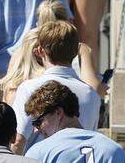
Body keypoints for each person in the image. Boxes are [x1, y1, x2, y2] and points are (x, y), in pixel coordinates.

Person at [11, 21, 101, 153]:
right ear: (76, 52)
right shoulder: (91, 95)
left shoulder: (28, 88)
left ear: (40, 51)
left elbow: (17, 141)